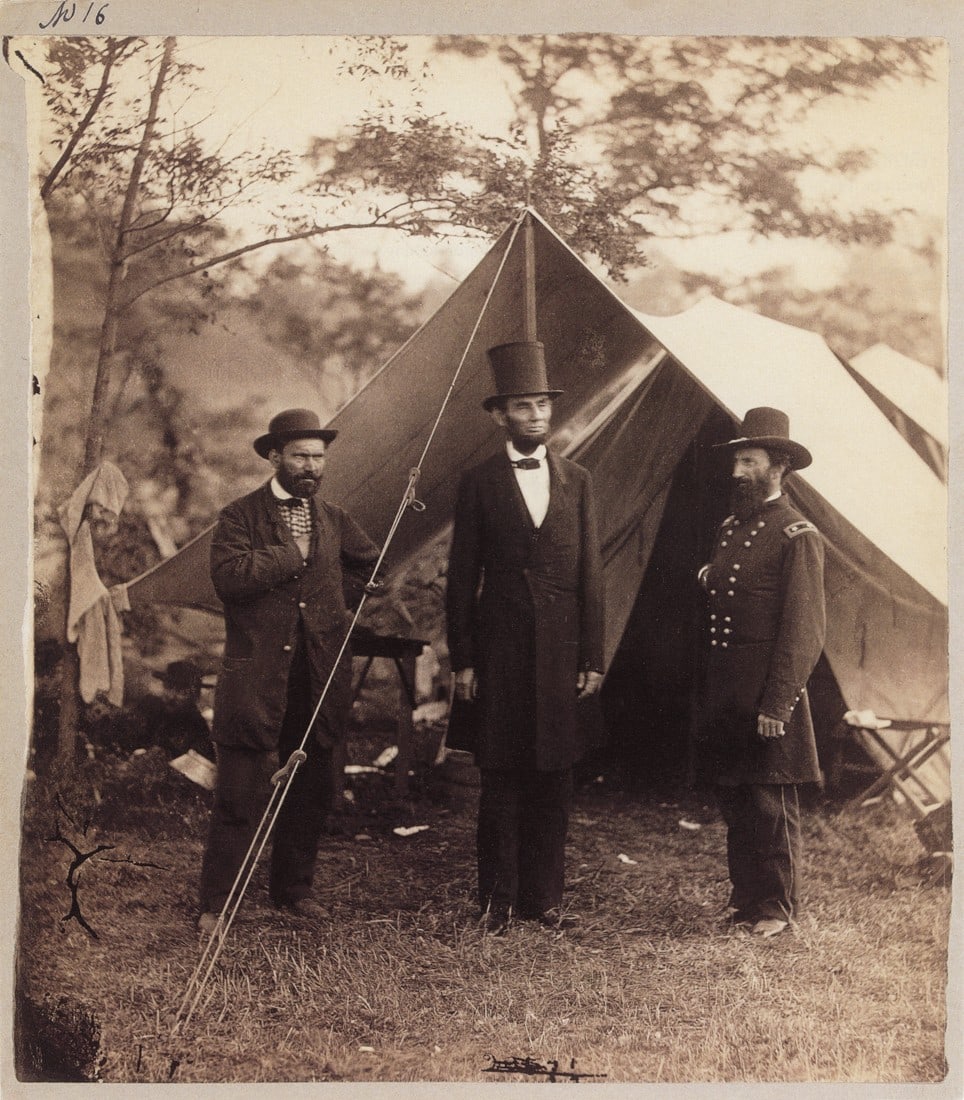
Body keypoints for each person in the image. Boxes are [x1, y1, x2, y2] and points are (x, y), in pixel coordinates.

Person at [198, 409, 380, 932]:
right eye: (300, 455)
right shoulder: (239, 516)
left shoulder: (335, 517)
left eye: (318, 457)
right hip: (256, 676)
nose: (311, 466)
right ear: (274, 456)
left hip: (317, 674)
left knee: (312, 784)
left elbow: (370, 565)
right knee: (240, 789)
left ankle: (293, 890)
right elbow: (229, 578)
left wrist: (336, 598)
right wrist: (290, 556)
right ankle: (217, 902)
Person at [446, 341, 605, 934]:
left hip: (564, 655)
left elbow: (592, 572)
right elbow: (462, 576)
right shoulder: (478, 482)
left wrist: (594, 656)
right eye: (523, 406)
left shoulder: (579, 480)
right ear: (500, 416)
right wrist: (463, 658)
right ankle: (496, 902)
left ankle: (545, 900)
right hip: (500, 652)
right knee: (502, 778)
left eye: (542, 404)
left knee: (555, 780)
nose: (537, 415)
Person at [692, 407, 826, 938]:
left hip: (769, 689)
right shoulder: (730, 528)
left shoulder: (799, 534)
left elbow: (805, 629)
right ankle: (747, 899)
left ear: (780, 466)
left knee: (771, 801)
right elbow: (728, 588)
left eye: (749, 461)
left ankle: (777, 908)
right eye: (737, 461)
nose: (737, 472)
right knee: (736, 796)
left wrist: (778, 703)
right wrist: (707, 574)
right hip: (728, 687)